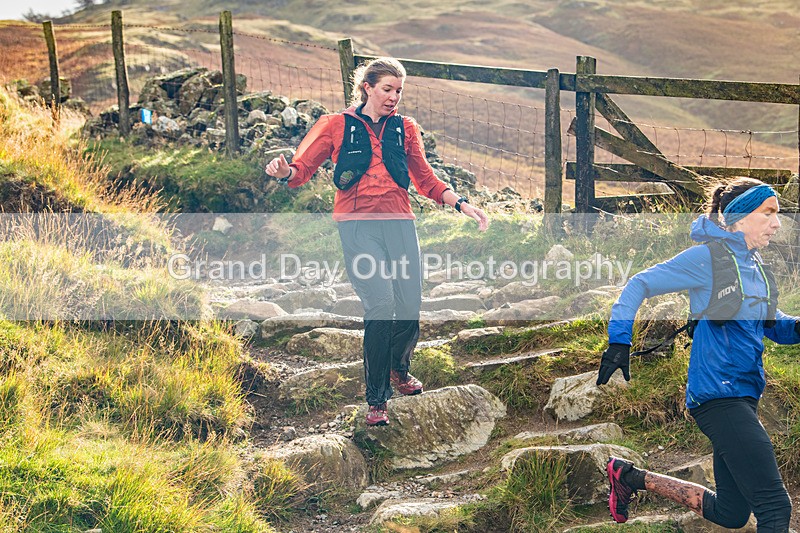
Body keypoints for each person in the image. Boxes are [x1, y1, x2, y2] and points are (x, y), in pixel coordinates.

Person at [265, 57, 489, 426]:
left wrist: (462, 203)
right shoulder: (335, 125)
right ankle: (376, 400)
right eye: (387, 89)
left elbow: (425, 179)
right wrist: (284, 171)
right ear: (367, 87)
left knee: (410, 303)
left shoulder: (405, 128)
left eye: (399, 91)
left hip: (399, 223)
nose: (393, 97)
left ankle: (398, 371)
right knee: (381, 304)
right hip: (357, 226)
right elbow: (301, 169)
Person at [597, 177, 794, 530]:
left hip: (744, 395)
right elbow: (640, 282)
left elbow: (772, 324)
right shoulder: (707, 257)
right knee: (774, 507)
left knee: (732, 513)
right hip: (719, 395)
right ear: (740, 217)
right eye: (768, 214)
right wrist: (619, 338)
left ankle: (629, 477)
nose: (777, 223)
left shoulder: (755, 267)